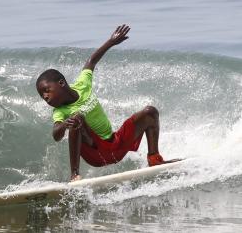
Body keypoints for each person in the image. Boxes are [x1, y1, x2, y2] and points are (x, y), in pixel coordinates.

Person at [36, 24, 179, 181]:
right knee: (77, 119)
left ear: (61, 83)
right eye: (42, 96)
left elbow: (91, 61)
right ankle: (74, 174)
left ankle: (154, 159)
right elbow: (56, 134)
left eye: (47, 90)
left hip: (116, 145)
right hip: (96, 154)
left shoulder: (83, 84)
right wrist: (65, 124)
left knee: (150, 112)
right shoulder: (60, 111)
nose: (45, 97)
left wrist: (111, 42)